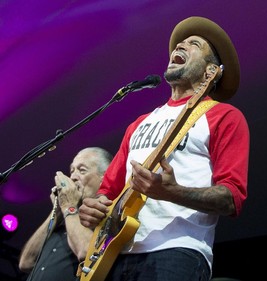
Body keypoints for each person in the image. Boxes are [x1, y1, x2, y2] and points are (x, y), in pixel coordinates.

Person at [79, 16, 250, 281]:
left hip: (176, 251)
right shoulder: (138, 124)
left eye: (195, 44)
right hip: (113, 254)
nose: (181, 44)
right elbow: (107, 191)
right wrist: (95, 207)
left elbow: (232, 198)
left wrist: (172, 192)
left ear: (211, 72)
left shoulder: (223, 116)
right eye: (180, 43)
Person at [18, 147, 113, 281]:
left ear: (105, 177)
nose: (73, 177)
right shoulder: (65, 216)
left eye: (82, 170)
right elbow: (26, 263)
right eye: (72, 170)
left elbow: (87, 252)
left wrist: (69, 207)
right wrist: (57, 212)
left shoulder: (107, 215)